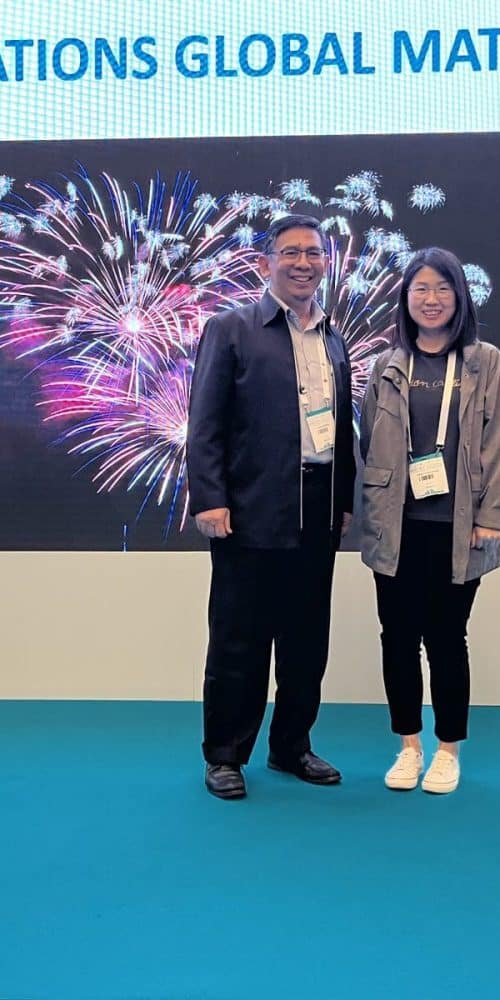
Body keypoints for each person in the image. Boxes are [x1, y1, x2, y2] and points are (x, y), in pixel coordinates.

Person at [187, 214, 355, 799]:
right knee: (240, 640)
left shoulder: (333, 338)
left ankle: (291, 746)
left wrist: (344, 499)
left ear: (326, 263)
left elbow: (342, 429)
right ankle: (225, 755)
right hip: (250, 509)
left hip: (318, 510)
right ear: (265, 264)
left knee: (307, 640)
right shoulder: (231, 329)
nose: (303, 263)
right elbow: (204, 422)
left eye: (314, 252)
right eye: (290, 252)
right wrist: (210, 499)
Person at [360, 246, 500, 794]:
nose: (432, 299)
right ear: (406, 298)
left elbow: (497, 444)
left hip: (459, 527)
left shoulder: (485, 362)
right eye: (421, 288)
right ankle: (408, 746)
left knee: (446, 638)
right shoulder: (388, 364)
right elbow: (369, 440)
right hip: (396, 525)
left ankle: (447, 751)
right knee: (397, 637)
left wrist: (491, 517)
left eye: (442, 288)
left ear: (459, 296)